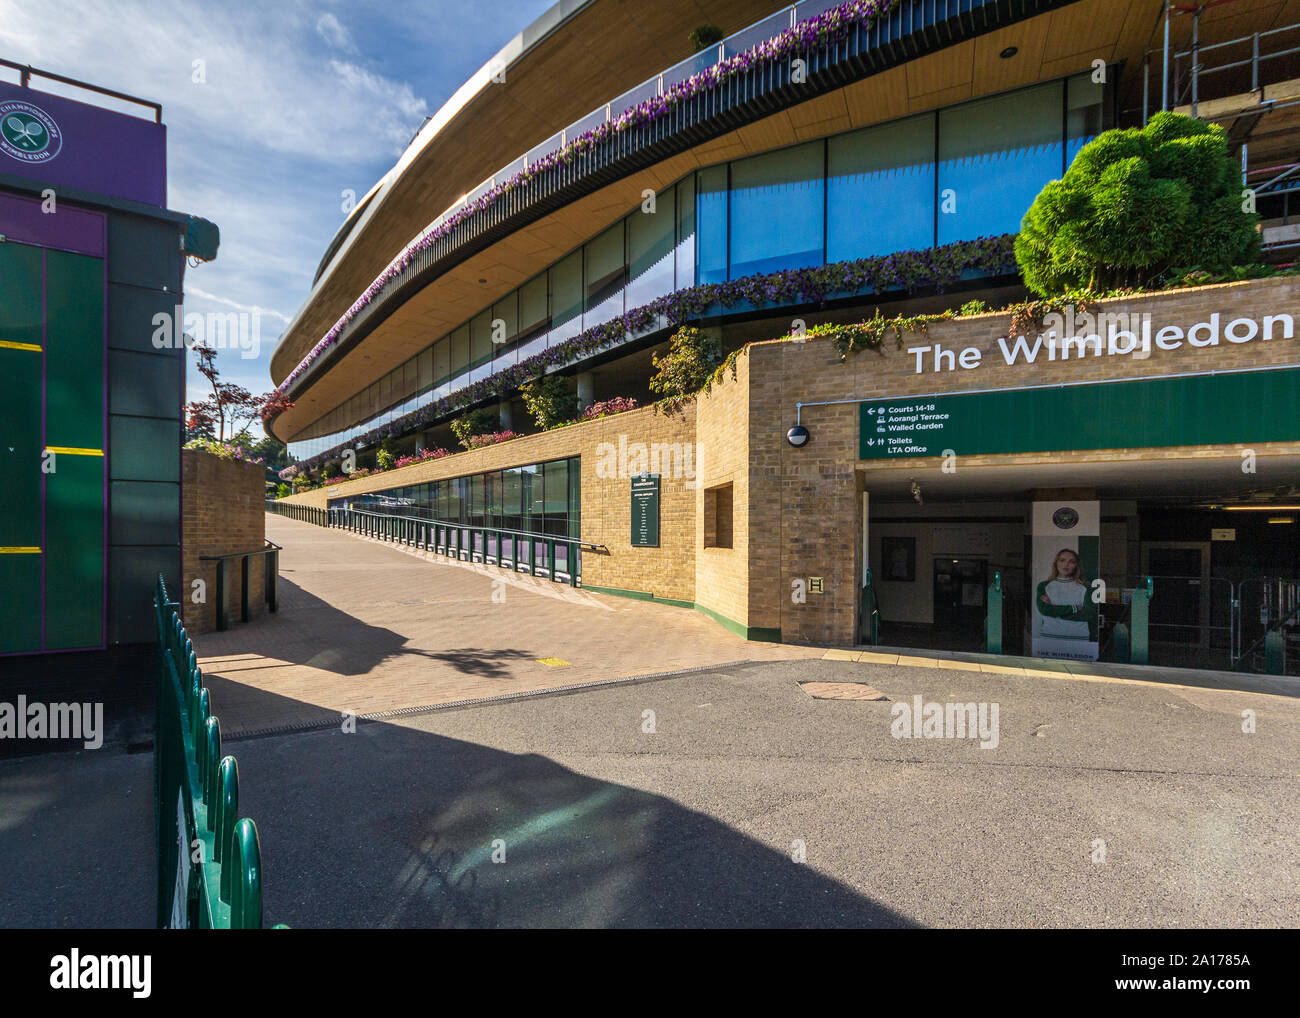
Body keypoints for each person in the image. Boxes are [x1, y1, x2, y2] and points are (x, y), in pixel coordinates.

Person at [1036, 548, 1097, 641]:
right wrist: (1074, 608)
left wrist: (1053, 611)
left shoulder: (1085, 587)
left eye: (1071, 561)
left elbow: (1087, 615)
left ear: (1076, 565)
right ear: (1056, 563)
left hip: (1079, 638)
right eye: (1062, 560)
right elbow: (1044, 610)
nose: (1066, 564)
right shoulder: (1043, 586)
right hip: (1050, 637)